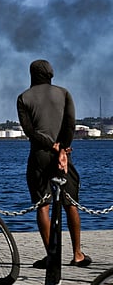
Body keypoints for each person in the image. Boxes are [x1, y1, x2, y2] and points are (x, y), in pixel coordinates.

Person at [17, 59, 92, 269]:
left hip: (39, 155)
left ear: (31, 74)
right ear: (51, 73)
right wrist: (62, 149)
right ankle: (77, 254)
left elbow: (30, 132)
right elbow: (70, 124)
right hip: (63, 155)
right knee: (70, 204)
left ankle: (52, 256)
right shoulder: (64, 93)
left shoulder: (23, 98)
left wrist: (50, 147)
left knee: (43, 205)